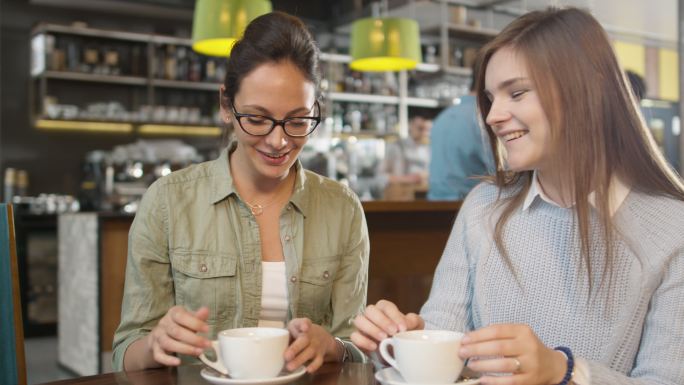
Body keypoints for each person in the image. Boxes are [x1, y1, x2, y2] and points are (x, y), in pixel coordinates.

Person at [352, 7, 684, 385]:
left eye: (517, 92)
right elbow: (445, 338)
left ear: (584, 92)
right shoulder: (483, 205)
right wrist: (397, 346)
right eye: (491, 98)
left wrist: (566, 372)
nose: (492, 115)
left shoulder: (673, 228)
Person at [112, 12, 369, 373]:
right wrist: (155, 343)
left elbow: (355, 348)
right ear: (225, 106)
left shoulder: (342, 209)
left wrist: (334, 346)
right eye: (258, 119)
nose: (279, 141)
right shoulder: (168, 201)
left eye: (297, 121)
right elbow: (125, 351)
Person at [428, 62, 494, 201]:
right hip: (469, 206)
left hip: (434, 204)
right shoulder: (483, 117)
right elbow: (503, 174)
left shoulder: (443, 116)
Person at [378, 112, 432, 199]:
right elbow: (380, 177)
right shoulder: (396, 146)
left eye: (427, 130)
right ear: (411, 126)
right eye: (420, 128)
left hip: (422, 200)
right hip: (398, 199)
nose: (424, 133)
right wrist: (408, 179)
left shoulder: (429, 149)